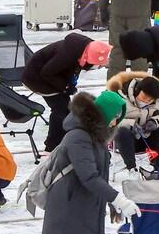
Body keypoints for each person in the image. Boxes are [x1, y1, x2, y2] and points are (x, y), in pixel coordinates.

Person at [39, 91, 141, 234]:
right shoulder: (78, 137)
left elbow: (100, 175)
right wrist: (118, 199)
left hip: (86, 205)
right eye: (113, 116)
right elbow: (89, 177)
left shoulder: (96, 136)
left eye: (118, 118)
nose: (114, 122)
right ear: (103, 114)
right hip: (69, 208)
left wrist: (110, 200)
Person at [23, 34, 110, 152]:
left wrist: (69, 85)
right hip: (37, 78)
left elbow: (72, 69)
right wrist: (65, 86)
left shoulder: (83, 49)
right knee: (60, 109)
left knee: (67, 108)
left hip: (55, 76)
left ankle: (62, 140)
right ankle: (52, 145)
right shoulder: (66, 56)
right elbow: (47, 72)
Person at [104, 71, 159, 172]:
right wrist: (131, 124)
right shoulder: (119, 96)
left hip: (147, 137)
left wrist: (156, 121)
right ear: (137, 90)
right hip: (126, 140)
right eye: (144, 98)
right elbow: (106, 120)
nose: (146, 101)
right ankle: (132, 169)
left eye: (150, 100)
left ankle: (158, 168)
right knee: (121, 131)